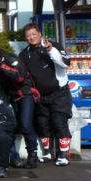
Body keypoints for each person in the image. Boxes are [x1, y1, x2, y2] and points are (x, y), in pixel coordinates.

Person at [19, 23, 72, 166]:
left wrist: (50, 50)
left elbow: (66, 63)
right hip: (40, 96)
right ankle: (47, 153)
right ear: (25, 38)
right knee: (42, 124)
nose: (31, 37)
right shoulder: (24, 54)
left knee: (59, 122)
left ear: (39, 34)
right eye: (28, 36)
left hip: (59, 92)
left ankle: (63, 155)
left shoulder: (54, 46)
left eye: (34, 34)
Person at [0, 37, 40, 168]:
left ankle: (33, 156)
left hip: (25, 94)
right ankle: (11, 157)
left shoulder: (9, 58)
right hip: (10, 97)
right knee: (11, 125)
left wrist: (1, 66)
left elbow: (20, 77)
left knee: (26, 125)